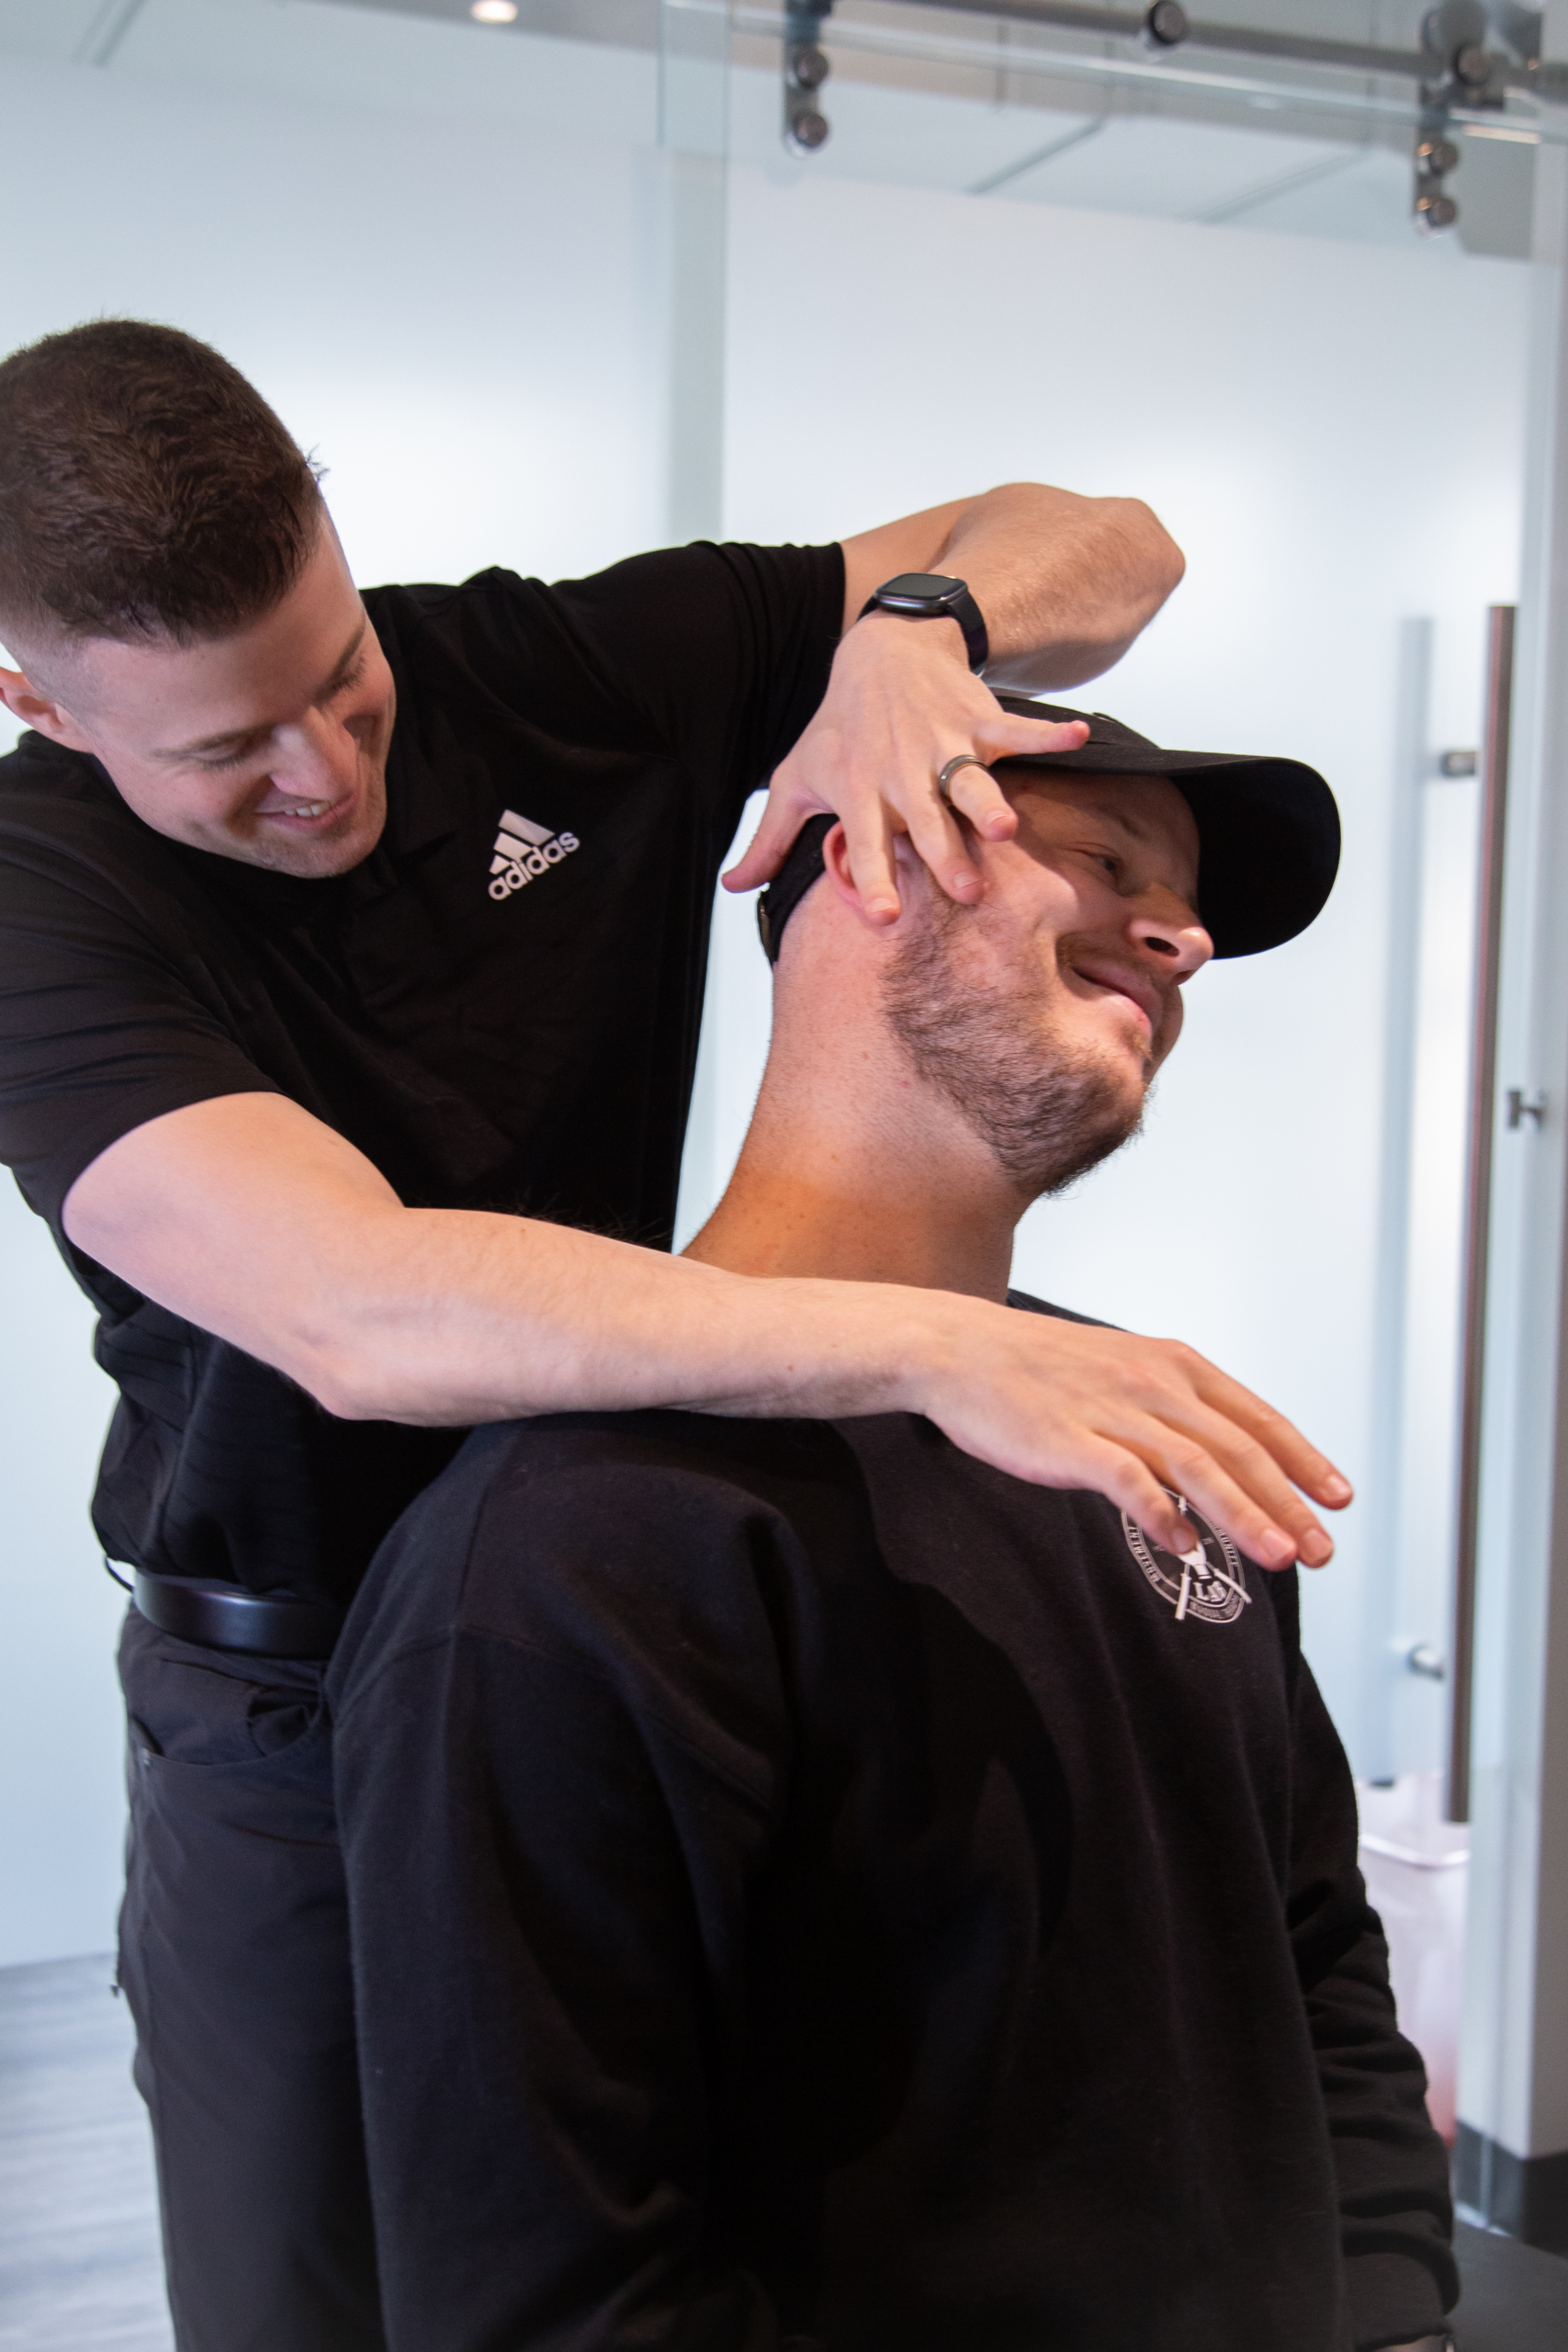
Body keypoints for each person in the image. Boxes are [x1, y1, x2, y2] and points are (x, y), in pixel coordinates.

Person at [0, 321, 1348, 2350]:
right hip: (296, 1682)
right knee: (338, 2299)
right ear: (38, 701)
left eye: (343, 676)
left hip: (642, 1547)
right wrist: (934, 1345)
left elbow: (1114, 541)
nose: (331, 772)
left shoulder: (544, 672)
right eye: (230, 752)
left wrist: (918, 627)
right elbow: (356, 1306)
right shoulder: (38, 906)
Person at [330, 712, 1456, 2352]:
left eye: (1185, 906)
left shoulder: (1152, 1436)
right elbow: (556, 2285)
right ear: (861, 859)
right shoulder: (577, 1546)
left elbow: (1304, 1953)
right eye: (1106, 860)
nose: (1186, 940)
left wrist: (1395, 2318)